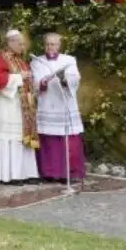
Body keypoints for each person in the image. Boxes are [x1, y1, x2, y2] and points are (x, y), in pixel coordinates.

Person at [0, 30, 39, 183]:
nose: (23, 47)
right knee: (10, 139)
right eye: (20, 44)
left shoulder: (19, 59)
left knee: (21, 139)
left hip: (20, 106)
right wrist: (20, 77)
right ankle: (10, 176)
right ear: (10, 42)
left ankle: (27, 173)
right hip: (6, 106)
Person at [31, 32, 85, 183]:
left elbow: (75, 78)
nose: (50, 47)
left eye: (53, 44)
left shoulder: (69, 60)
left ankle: (68, 173)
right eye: (47, 44)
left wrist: (64, 80)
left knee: (68, 139)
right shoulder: (37, 61)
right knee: (49, 140)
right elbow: (34, 82)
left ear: (59, 45)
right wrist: (43, 82)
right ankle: (49, 172)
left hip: (64, 103)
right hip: (48, 103)